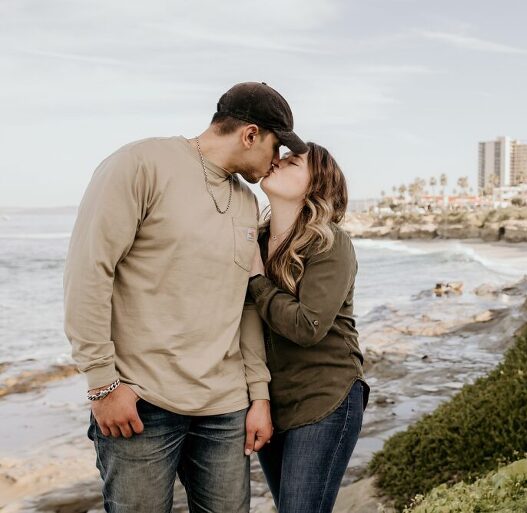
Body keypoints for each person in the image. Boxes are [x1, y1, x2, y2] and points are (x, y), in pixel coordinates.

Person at [63, 82, 308, 513]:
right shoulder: (141, 164)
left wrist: (258, 395)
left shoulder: (246, 202)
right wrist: (102, 385)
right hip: (141, 404)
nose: (278, 159)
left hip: (225, 410)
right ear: (250, 134)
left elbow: (245, 305)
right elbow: (88, 272)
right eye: (276, 146)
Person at [245, 143, 369, 513]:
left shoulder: (329, 242)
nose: (277, 161)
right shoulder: (257, 241)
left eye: (292, 161)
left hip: (325, 398)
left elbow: (307, 326)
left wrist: (257, 280)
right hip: (272, 405)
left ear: (315, 185)